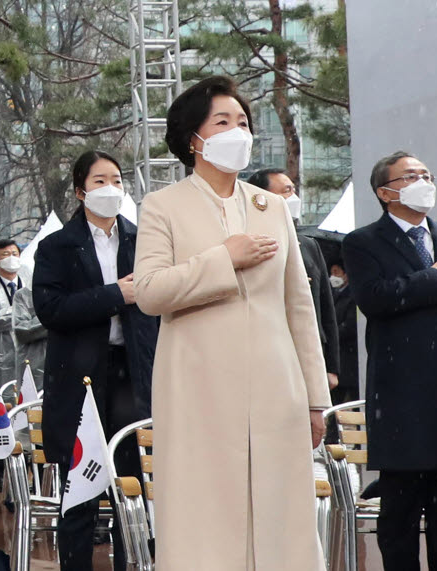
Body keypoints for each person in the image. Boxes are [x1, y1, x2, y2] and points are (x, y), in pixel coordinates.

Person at [132, 76, 329, 570]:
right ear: (192, 138)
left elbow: (298, 307)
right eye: (222, 121)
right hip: (197, 385)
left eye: (242, 121)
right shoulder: (162, 207)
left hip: (275, 386)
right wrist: (224, 259)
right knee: (206, 514)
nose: (237, 130)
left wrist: (314, 400)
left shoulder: (273, 206)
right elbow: (150, 292)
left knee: (281, 516)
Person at [342, 151, 437, 571]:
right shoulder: (363, 243)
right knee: (400, 520)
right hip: (404, 403)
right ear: (386, 192)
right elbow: (374, 299)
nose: (424, 180)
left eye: (426, 173)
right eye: (411, 176)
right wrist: (433, 279)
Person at [32, 150, 159, 570]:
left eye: (117, 180)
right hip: (80, 377)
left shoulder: (144, 239)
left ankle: (132, 563)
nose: (111, 189)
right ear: (80, 190)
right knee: (81, 485)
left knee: (131, 485)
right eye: (100, 181)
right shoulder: (57, 246)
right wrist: (113, 296)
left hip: (131, 373)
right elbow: (50, 309)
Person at [247, 168, 340, 391]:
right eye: (286, 191)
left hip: (311, 354)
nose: (294, 197)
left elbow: (326, 307)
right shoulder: (248, 243)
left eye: (293, 190)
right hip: (268, 354)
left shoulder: (308, 245)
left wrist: (332, 366)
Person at [0, 239, 29, 492]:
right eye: (5, 254)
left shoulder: (30, 283)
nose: (11, 257)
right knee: (0, 415)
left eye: (15, 253)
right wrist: (18, 315)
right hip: (1, 358)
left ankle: (27, 469)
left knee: (26, 412)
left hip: (28, 358)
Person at [328, 261, 359, 405]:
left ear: (346, 274)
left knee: (353, 400)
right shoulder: (333, 295)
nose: (333, 276)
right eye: (331, 272)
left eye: (336, 272)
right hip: (338, 359)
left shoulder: (354, 296)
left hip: (350, 359)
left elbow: (350, 326)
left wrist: (332, 335)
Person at [11, 285, 46, 388]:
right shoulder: (24, 294)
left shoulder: (76, 295)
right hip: (35, 369)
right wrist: (53, 317)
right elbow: (21, 330)